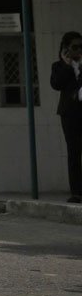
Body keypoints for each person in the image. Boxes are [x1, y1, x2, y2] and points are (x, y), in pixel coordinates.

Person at [49, 31, 82, 203]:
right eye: (75, 47)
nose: (78, 51)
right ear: (66, 49)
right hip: (70, 114)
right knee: (74, 151)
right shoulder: (59, 66)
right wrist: (68, 65)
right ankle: (77, 191)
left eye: (81, 46)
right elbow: (56, 84)